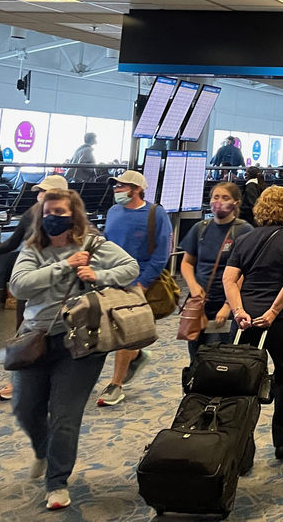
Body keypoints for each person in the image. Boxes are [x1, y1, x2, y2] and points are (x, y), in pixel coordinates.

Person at [9, 189, 139, 511]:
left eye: (60, 212)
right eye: (48, 211)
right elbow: (18, 285)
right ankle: (43, 450)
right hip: (35, 339)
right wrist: (65, 266)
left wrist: (98, 274)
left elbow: (130, 267)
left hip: (80, 342)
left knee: (64, 416)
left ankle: (57, 482)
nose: (53, 217)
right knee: (25, 408)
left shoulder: (91, 244)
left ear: (74, 215)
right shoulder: (33, 247)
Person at [223, 185, 283, 460]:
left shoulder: (245, 239)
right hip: (281, 319)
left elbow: (229, 279)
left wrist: (238, 311)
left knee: (241, 382)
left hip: (245, 319)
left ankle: (241, 449)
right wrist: (273, 311)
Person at [0, 175, 69, 402]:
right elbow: (14, 241)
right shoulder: (31, 214)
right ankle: (19, 381)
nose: (40, 196)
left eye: (46, 193)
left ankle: (57, 380)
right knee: (25, 332)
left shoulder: (72, 221)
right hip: (31, 282)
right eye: (39, 192)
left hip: (59, 287)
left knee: (60, 335)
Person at [97, 170, 171, 407]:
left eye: (122, 186)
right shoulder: (113, 211)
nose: (116, 189)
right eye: (115, 185)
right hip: (110, 280)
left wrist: (143, 283)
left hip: (138, 282)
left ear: (137, 189)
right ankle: (137, 356)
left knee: (126, 333)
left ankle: (116, 384)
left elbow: (161, 254)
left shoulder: (155, 214)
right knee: (107, 330)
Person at [180, 182, 253, 361]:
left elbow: (245, 271)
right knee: (196, 355)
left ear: (236, 202)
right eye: (216, 197)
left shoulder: (243, 231)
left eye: (225, 198)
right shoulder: (201, 228)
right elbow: (187, 263)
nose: (219, 202)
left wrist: (229, 305)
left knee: (218, 357)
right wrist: (194, 287)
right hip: (200, 304)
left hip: (227, 303)